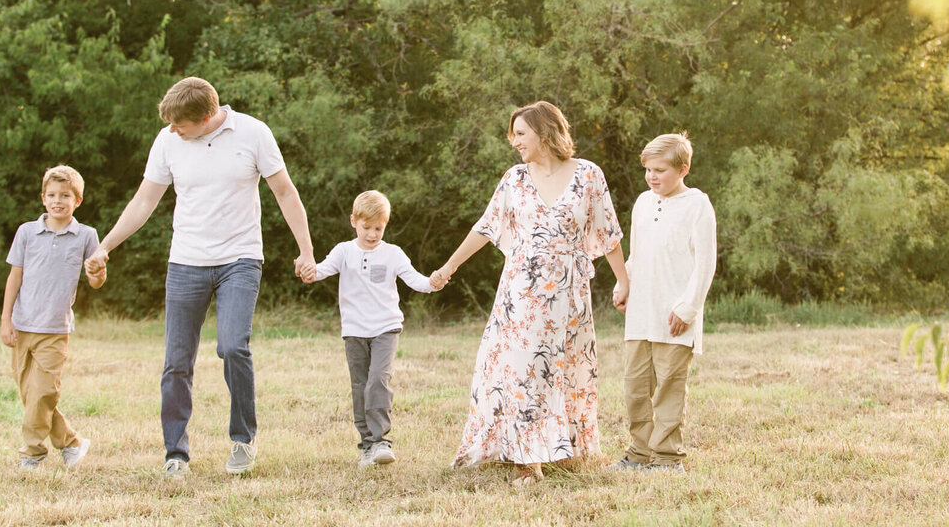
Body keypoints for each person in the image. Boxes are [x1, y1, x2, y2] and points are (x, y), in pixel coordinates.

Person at [83, 77, 315, 479]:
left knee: (232, 346)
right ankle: (176, 453)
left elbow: (285, 192)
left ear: (207, 116)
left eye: (180, 125)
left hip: (239, 259)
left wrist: (306, 250)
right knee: (176, 362)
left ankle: (243, 439)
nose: (174, 131)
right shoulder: (168, 141)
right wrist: (106, 246)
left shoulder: (253, 133)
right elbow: (144, 200)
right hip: (186, 262)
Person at [430, 101, 629, 486]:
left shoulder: (589, 175)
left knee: (567, 368)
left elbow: (609, 235)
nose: (514, 141)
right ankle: (527, 458)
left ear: (545, 131)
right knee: (524, 369)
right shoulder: (514, 179)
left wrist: (623, 281)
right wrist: (448, 267)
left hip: (570, 293)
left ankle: (565, 447)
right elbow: (486, 228)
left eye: (520, 133)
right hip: (522, 290)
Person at [300, 190, 440, 468]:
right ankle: (366, 444)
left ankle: (381, 441)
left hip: (386, 328)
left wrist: (434, 281)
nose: (373, 234)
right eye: (367, 227)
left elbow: (416, 280)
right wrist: (307, 270)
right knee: (360, 385)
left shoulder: (393, 253)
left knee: (379, 380)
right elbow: (319, 271)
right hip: (354, 330)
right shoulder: (344, 251)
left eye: (379, 228)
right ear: (354, 221)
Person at [611, 132, 716, 472]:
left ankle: (668, 459)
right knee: (635, 388)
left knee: (670, 388)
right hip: (641, 312)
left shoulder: (697, 204)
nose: (652, 177)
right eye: (648, 170)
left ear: (683, 168)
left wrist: (688, 308)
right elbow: (638, 253)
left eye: (660, 170)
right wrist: (623, 282)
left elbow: (705, 263)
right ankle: (639, 454)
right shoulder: (643, 202)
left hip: (675, 315)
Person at [0, 165, 106, 471]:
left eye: (65, 195)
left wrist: (98, 272)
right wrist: (6, 320)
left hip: (56, 328)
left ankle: (31, 454)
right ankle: (71, 442)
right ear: (43, 198)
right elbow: (14, 277)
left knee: (44, 392)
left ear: (78, 200)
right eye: (51, 195)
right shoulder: (26, 232)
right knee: (32, 396)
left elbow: (96, 281)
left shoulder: (86, 235)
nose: (57, 200)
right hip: (22, 326)